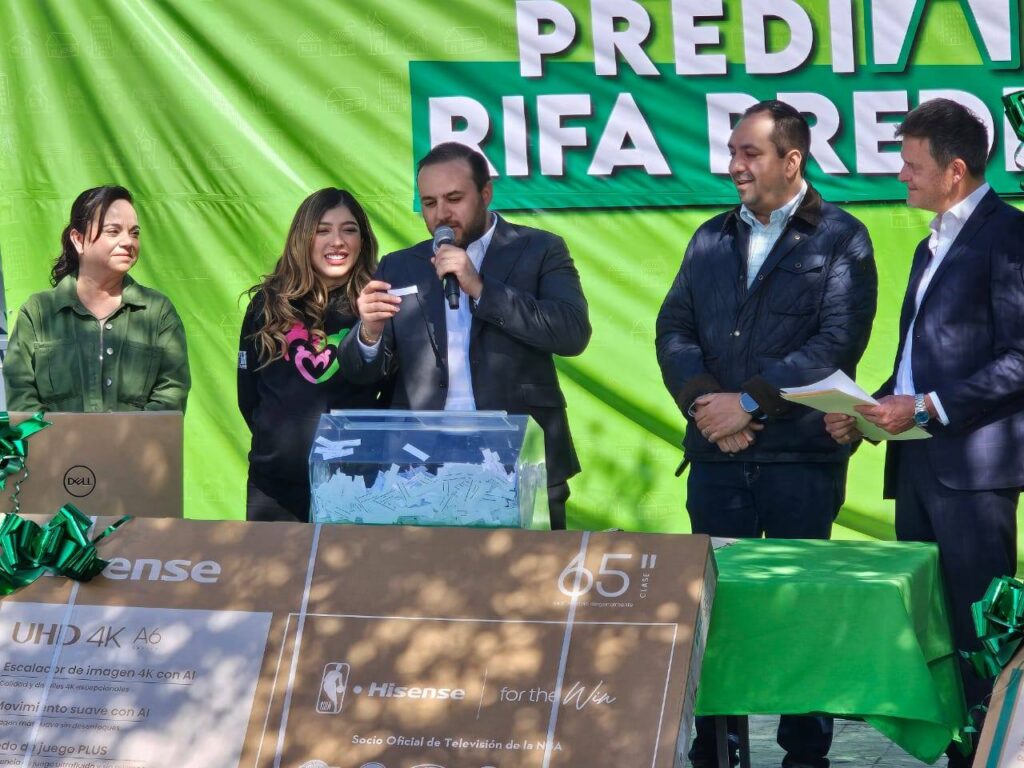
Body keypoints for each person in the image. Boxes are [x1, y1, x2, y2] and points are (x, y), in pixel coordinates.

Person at [655, 100, 877, 768]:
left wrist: (749, 403)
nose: (735, 166)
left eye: (749, 153)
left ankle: (805, 755)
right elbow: (673, 329)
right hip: (717, 461)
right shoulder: (710, 237)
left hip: (800, 463)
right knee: (715, 616)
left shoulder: (843, 237)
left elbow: (836, 343)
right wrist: (707, 406)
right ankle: (717, 752)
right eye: (732, 153)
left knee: (799, 614)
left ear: (792, 159)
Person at [823, 98, 1024, 768]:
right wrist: (867, 408)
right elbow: (918, 360)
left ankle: (993, 753)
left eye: (911, 165)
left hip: (974, 473)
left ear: (955, 170)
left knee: (978, 626)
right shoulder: (927, 243)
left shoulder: (1009, 236)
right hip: (916, 467)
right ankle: (959, 749)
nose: (901, 176)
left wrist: (929, 406)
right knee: (933, 626)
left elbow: (1020, 358)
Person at [337, 141, 591, 530]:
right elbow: (359, 373)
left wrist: (481, 288)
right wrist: (368, 333)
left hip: (519, 456)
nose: (441, 214)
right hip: (421, 466)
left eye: (454, 199)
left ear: (485, 193)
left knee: (532, 570)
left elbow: (572, 332)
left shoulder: (540, 249)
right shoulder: (399, 265)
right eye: (429, 203)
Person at [238, 188, 386, 523]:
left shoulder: (376, 306)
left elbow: (392, 393)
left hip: (355, 484)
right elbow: (249, 396)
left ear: (363, 241)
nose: (338, 241)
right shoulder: (267, 304)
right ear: (302, 238)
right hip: (273, 487)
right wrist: (278, 444)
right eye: (323, 230)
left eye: (349, 230)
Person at [4, 185, 189, 413]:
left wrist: (128, 434)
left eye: (134, 233)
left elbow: (171, 394)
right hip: (56, 439)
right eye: (113, 231)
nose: (128, 242)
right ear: (78, 239)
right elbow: (21, 397)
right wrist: (64, 435)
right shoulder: (38, 313)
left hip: (137, 439)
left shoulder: (157, 312)